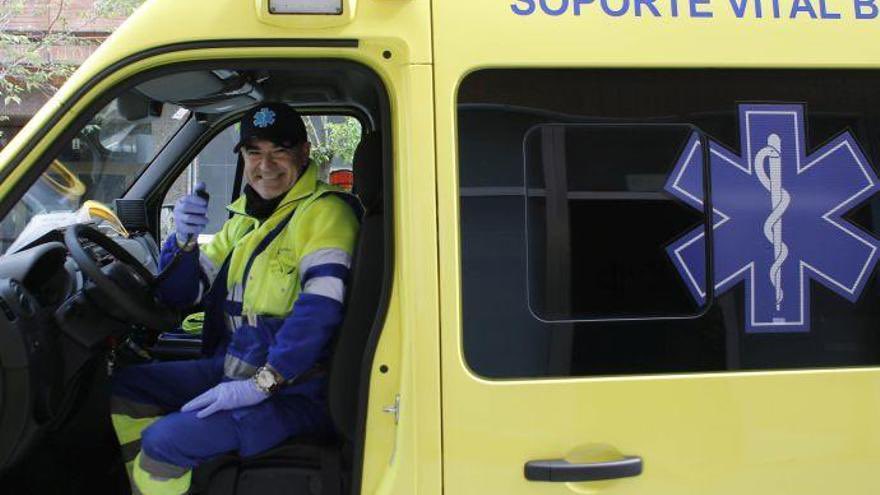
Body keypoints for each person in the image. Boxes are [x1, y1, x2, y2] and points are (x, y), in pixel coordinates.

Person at [109, 103, 360, 495]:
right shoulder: (246, 218)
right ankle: (174, 480)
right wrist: (183, 240)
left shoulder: (325, 212)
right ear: (243, 157)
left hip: (299, 389)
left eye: (280, 151)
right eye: (254, 152)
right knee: (125, 387)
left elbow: (321, 307)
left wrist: (263, 383)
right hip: (236, 366)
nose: (266, 164)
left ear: (304, 152)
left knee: (163, 441)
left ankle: (167, 471)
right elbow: (182, 294)